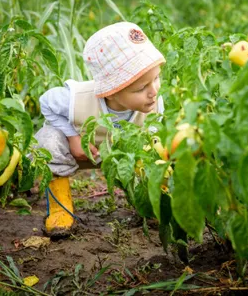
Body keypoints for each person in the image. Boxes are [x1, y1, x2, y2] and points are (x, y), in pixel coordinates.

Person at [35, 22, 166, 237]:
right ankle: (60, 208)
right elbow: (46, 102)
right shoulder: (77, 98)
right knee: (48, 140)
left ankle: (149, 205)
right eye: (142, 88)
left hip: (122, 157)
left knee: (156, 149)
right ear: (111, 92)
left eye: (157, 78)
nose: (154, 91)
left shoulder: (154, 105)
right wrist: (73, 137)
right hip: (82, 152)